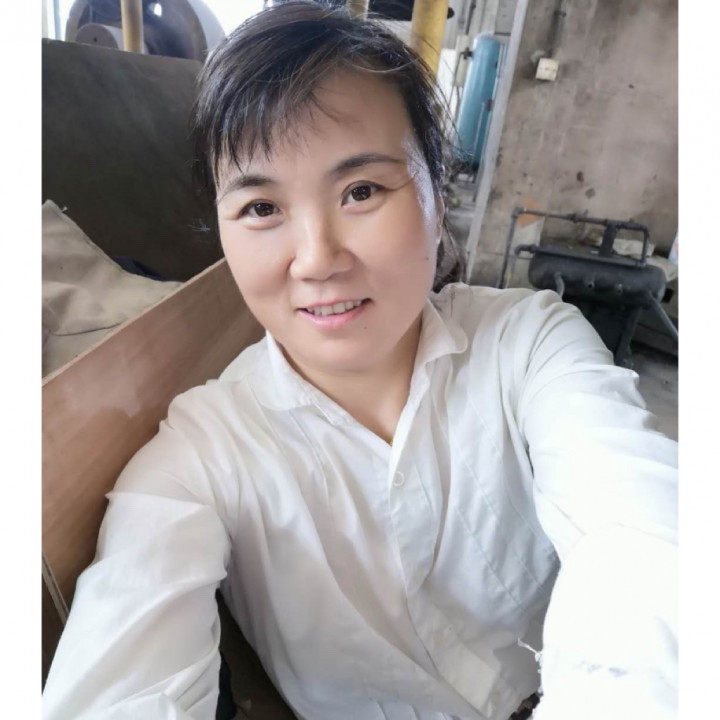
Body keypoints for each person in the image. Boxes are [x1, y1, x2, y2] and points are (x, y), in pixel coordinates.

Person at [42, 3, 678, 719]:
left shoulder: (530, 345)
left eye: (362, 191)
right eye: (261, 208)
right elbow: (124, 680)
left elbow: (648, 550)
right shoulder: (200, 458)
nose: (316, 260)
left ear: (438, 191)